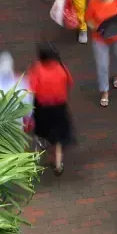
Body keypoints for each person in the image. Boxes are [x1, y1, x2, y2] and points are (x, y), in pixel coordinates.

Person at [27, 43, 72, 175]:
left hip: (43, 109)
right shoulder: (61, 67)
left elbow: (31, 89)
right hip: (59, 108)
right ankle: (58, 164)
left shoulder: (37, 69)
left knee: (40, 134)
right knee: (58, 137)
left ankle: (36, 161)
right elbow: (70, 81)